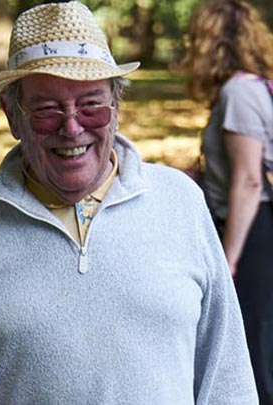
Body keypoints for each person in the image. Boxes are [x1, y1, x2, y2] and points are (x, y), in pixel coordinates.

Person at [0, 2, 257, 404]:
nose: (71, 127)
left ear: (117, 106)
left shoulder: (179, 201)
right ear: (12, 115)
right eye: (47, 109)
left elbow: (226, 373)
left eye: (91, 105)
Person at [183, 0, 273, 402]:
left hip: (252, 231)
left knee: (253, 345)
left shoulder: (239, 91)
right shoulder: (248, 86)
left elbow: (250, 180)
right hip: (252, 226)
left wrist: (228, 259)